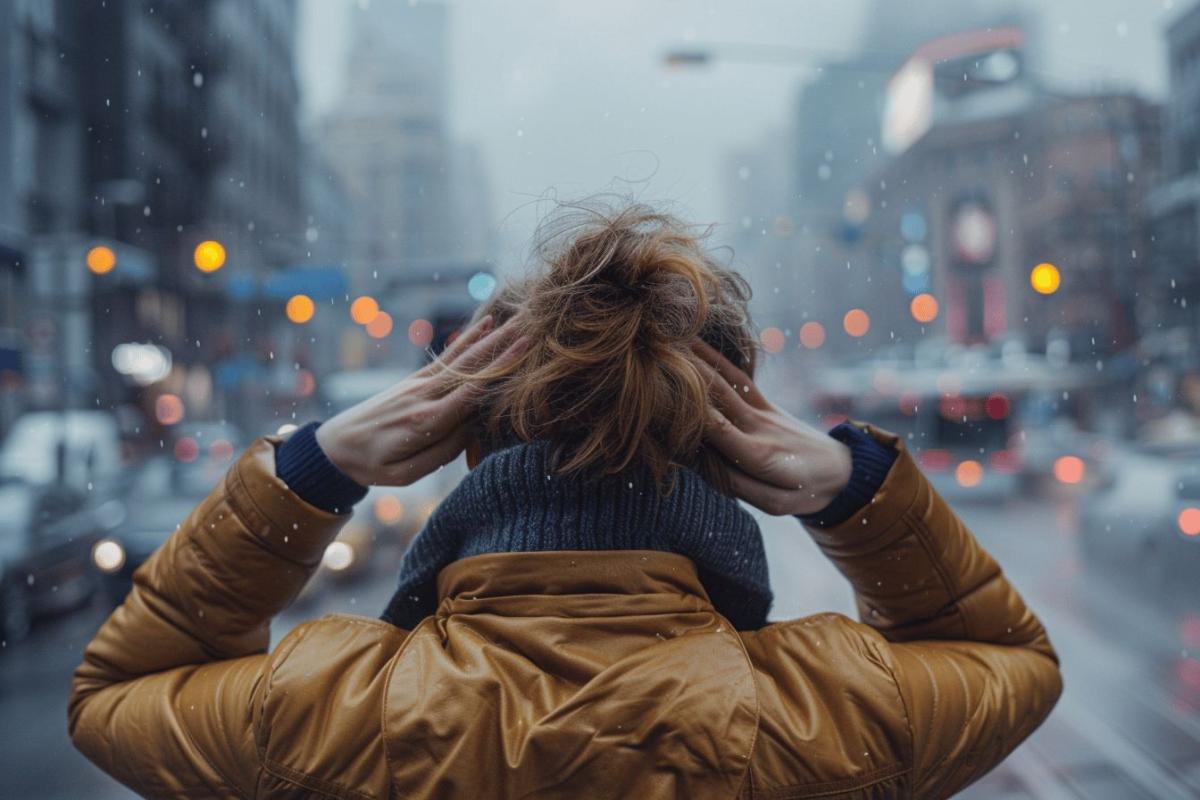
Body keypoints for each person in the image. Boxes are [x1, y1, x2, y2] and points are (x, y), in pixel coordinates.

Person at [69, 203, 1061, 799]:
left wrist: (313, 467)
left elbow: (116, 692)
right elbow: (1010, 660)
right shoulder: (827, 713)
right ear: (731, 444)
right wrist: (857, 490)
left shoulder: (329, 713)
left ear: (464, 431)